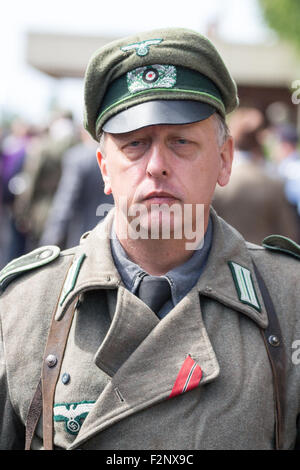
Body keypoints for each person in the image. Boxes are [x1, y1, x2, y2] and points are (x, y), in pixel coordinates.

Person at [0, 27, 299, 451]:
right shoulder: (26, 306)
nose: (157, 165)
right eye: (135, 144)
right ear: (105, 168)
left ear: (224, 160)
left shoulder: (289, 299)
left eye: (181, 142)